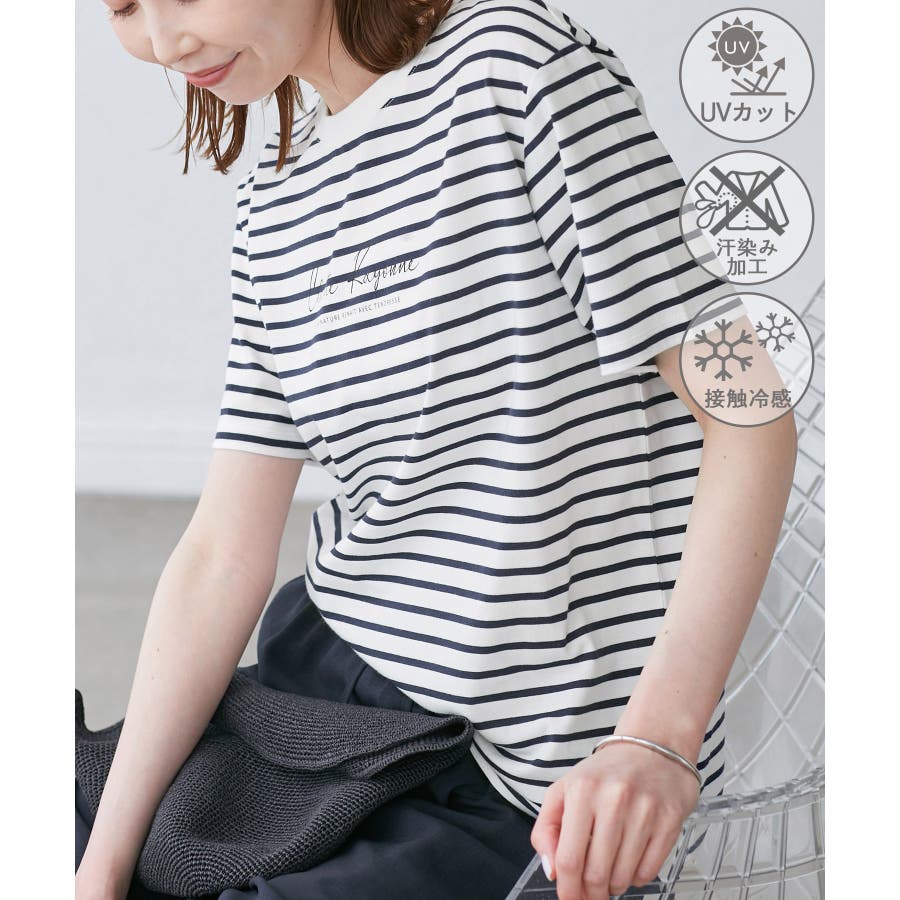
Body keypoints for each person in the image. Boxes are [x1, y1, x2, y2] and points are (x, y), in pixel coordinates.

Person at [77, 1, 798, 898]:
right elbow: (221, 552)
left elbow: (750, 413)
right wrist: (100, 869)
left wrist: (657, 741)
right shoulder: (273, 199)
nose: (161, 42)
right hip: (336, 701)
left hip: (520, 770)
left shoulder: (514, 73)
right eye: (122, 5)